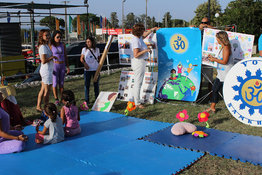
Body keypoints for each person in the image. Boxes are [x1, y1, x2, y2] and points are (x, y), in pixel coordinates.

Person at [131, 24, 158, 109]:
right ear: (139, 31)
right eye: (143, 30)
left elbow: (145, 35)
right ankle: (137, 102)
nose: (144, 31)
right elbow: (136, 54)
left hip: (141, 62)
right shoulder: (136, 40)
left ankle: (136, 100)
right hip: (139, 62)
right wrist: (146, 50)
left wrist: (152, 29)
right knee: (138, 83)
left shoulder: (139, 38)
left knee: (138, 82)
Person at [206, 31, 233, 113]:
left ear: (221, 38)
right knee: (215, 89)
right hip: (221, 74)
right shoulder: (223, 47)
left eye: (217, 38)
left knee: (228, 92)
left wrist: (214, 59)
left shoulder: (226, 47)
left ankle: (232, 107)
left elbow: (224, 61)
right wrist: (213, 57)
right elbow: (221, 59)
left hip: (226, 74)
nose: (216, 40)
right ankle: (212, 107)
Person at [36, 29, 57, 112]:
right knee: (47, 90)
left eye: (49, 35)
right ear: (42, 36)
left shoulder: (46, 45)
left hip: (48, 70)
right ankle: (46, 107)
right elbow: (43, 60)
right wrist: (52, 58)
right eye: (46, 35)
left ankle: (38, 106)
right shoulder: (43, 47)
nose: (48, 37)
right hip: (46, 71)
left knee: (43, 89)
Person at [80, 36, 101, 108]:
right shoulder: (84, 49)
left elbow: (99, 59)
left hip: (95, 69)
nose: (87, 43)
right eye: (86, 42)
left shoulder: (97, 49)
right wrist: (85, 64)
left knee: (96, 85)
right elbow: (81, 59)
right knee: (87, 86)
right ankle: (87, 100)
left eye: (89, 42)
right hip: (87, 70)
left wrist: (99, 68)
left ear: (92, 42)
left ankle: (97, 99)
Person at [50, 30, 70, 105]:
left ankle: (62, 98)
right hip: (55, 65)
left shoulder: (63, 45)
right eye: (57, 37)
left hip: (62, 65)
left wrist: (67, 66)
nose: (59, 38)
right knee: (54, 83)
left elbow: (65, 56)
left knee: (61, 83)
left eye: (60, 37)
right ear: (54, 37)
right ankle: (56, 99)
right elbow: (48, 56)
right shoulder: (51, 45)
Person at [199, 17, 214, 95]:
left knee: (209, 78)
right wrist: (198, 28)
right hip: (198, 57)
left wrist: (209, 28)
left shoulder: (212, 31)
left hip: (208, 57)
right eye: (202, 23)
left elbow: (216, 31)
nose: (204, 25)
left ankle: (211, 95)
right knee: (199, 77)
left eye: (206, 23)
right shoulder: (198, 31)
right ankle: (198, 94)